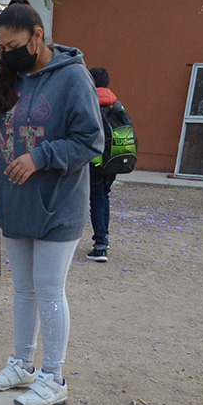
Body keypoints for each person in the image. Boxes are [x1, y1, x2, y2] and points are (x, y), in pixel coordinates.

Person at [0, 0, 103, 405]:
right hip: (14, 204)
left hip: (57, 205)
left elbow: (90, 140)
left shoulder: (73, 78)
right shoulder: (6, 80)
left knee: (49, 289)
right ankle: (23, 364)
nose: (7, 54)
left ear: (37, 37)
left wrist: (40, 157)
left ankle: (54, 376)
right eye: (1, 47)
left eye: (13, 45)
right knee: (24, 289)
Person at [86, 67, 118, 263]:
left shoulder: (90, 103)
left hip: (95, 161)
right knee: (104, 197)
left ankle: (100, 246)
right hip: (113, 160)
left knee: (96, 200)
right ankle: (104, 238)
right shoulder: (115, 103)